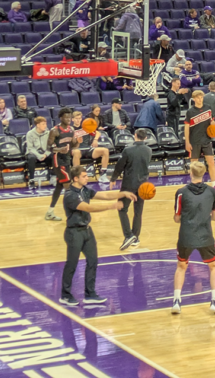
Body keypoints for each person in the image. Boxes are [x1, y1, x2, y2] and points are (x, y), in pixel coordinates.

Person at [58, 166, 134, 307]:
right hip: (74, 233)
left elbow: (103, 195)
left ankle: (90, 294)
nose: (87, 178)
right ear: (76, 178)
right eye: (84, 176)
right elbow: (87, 208)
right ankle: (65, 295)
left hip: (87, 231)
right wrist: (111, 206)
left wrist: (122, 193)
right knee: (72, 264)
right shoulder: (70, 195)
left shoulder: (85, 190)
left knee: (93, 261)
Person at [172, 161, 215, 314]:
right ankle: (214, 302)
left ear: (190, 173)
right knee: (214, 267)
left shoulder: (181, 192)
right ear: (204, 173)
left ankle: (176, 302)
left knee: (181, 267)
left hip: (186, 235)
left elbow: (176, 219)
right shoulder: (212, 192)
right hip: (205, 235)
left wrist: (188, 217)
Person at [111, 128, 152, 251]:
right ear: (145, 138)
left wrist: (113, 178)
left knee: (122, 209)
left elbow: (120, 165)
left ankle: (128, 235)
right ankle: (136, 237)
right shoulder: (149, 150)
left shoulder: (128, 150)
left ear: (135, 136)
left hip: (129, 184)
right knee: (138, 212)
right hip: (143, 185)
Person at [46, 109, 82, 221]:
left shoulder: (71, 130)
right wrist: (59, 149)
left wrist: (78, 141)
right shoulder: (54, 131)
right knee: (69, 188)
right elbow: (48, 147)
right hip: (58, 161)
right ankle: (72, 214)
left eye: (69, 117)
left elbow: (73, 146)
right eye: (66, 117)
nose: (68, 119)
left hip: (67, 160)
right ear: (61, 118)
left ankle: (50, 212)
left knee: (59, 186)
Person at [184, 90, 215, 190]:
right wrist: (187, 142)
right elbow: (186, 128)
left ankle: (214, 185)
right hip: (194, 141)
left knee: (211, 162)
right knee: (194, 164)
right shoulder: (190, 112)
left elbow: (211, 121)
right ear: (194, 99)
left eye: (201, 97)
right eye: (198, 98)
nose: (200, 99)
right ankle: (194, 185)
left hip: (206, 139)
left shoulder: (208, 108)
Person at [25, 116, 51, 187]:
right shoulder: (30, 134)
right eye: (43, 124)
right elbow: (30, 148)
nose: (45, 126)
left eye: (45, 124)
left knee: (54, 155)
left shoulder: (48, 133)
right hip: (33, 153)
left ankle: (53, 175)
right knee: (31, 158)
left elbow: (50, 146)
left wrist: (45, 155)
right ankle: (32, 179)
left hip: (45, 152)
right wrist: (39, 156)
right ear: (37, 125)